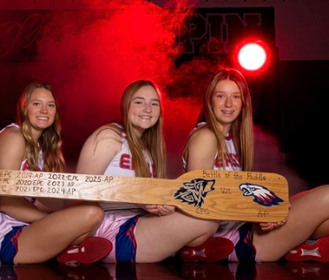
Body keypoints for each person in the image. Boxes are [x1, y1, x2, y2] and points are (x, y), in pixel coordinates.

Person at [181, 68, 329, 263]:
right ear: (210, 100)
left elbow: (237, 193)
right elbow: (196, 200)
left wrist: (269, 207)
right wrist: (257, 211)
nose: (229, 103)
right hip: (229, 240)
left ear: (243, 102)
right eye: (221, 96)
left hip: (243, 227)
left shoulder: (232, 139)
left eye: (235, 97)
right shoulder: (206, 136)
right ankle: (204, 250)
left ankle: (304, 245)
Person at [77, 80, 222, 263]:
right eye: (139, 102)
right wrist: (138, 198)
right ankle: (93, 250)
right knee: (205, 222)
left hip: (137, 222)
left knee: (206, 216)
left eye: (154, 103)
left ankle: (187, 252)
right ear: (125, 105)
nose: (148, 109)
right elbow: (79, 191)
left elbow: (149, 199)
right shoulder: (108, 136)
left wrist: (165, 205)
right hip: (107, 225)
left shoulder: (150, 148)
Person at [0, 82, 110, 265]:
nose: (44, 110)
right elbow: (7, 201)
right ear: (24, 107)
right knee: (92, 213)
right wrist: (53, 220)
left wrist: (62, 216)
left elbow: (29, 199)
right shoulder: (14, 138)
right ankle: (67, 250)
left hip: (23, 224)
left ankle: (65, 252)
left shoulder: (38, 146)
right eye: (37, 103)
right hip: (5, 233)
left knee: (86, 214)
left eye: (50, 105)